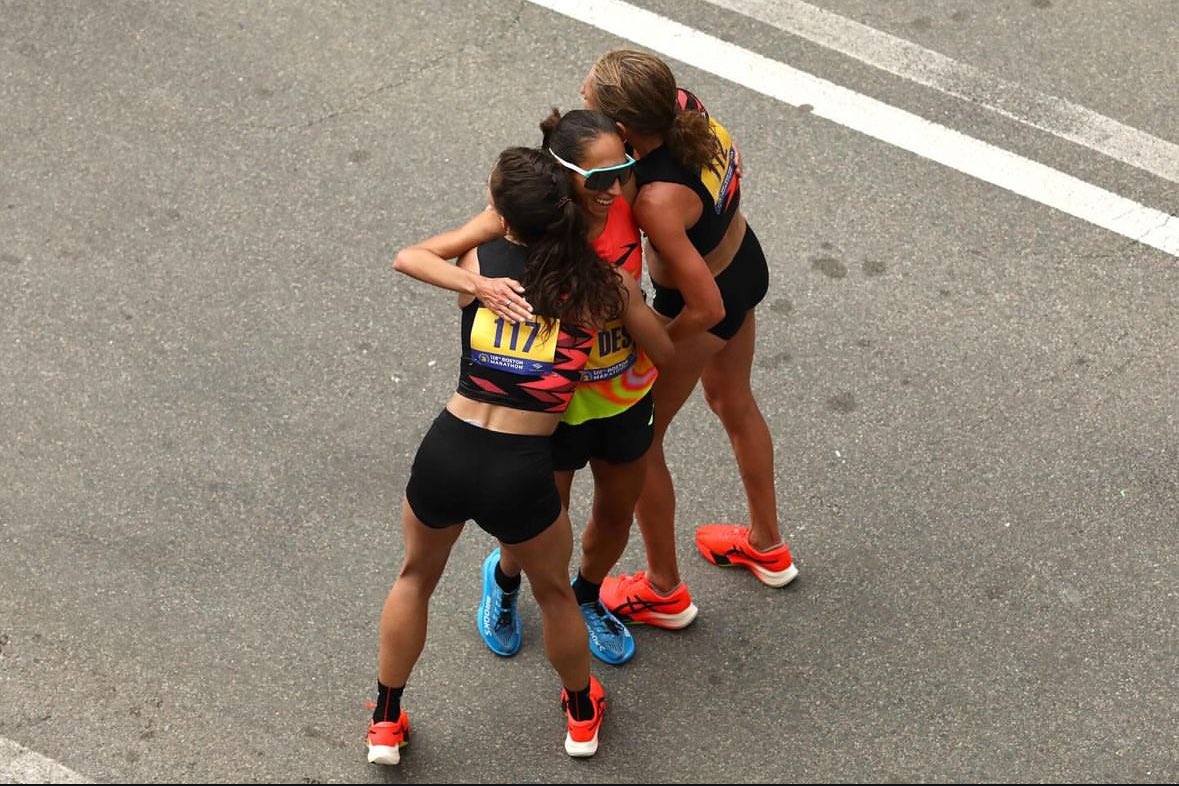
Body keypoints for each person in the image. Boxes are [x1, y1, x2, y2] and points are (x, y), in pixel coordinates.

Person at [366, 146, 668, 765]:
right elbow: (662, 346)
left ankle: (385, 722)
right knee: (556, 594)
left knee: (415, 578)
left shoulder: (480, 263)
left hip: (449, 447)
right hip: (521, 467)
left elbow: (413, 256)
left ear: (505, 219)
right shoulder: (604, 285)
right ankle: (581, 715)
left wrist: (476, 284)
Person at [579, 49, 799, 630]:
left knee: (642, 444)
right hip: (743, 257)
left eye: (590, 103)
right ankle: (767, 547)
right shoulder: (686, 108)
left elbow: (705, 307)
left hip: (703, 302)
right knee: (733, 401)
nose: (583, 106)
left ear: (624, 130)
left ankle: (663, 590)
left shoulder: (655, 199)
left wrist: (654, 349)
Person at [476, 109, 675, 667]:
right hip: (552, 409)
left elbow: (662, 341)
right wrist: (477, 287)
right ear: (563, 175)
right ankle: (506, 579)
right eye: (599, 179)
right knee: (539, 521)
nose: (614, 189)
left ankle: (587, 595)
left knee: (615, 513)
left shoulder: (626, 200)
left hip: (626, 396)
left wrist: (630, 309)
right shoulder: (525, 224)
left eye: (623, 171)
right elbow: (445, 258)